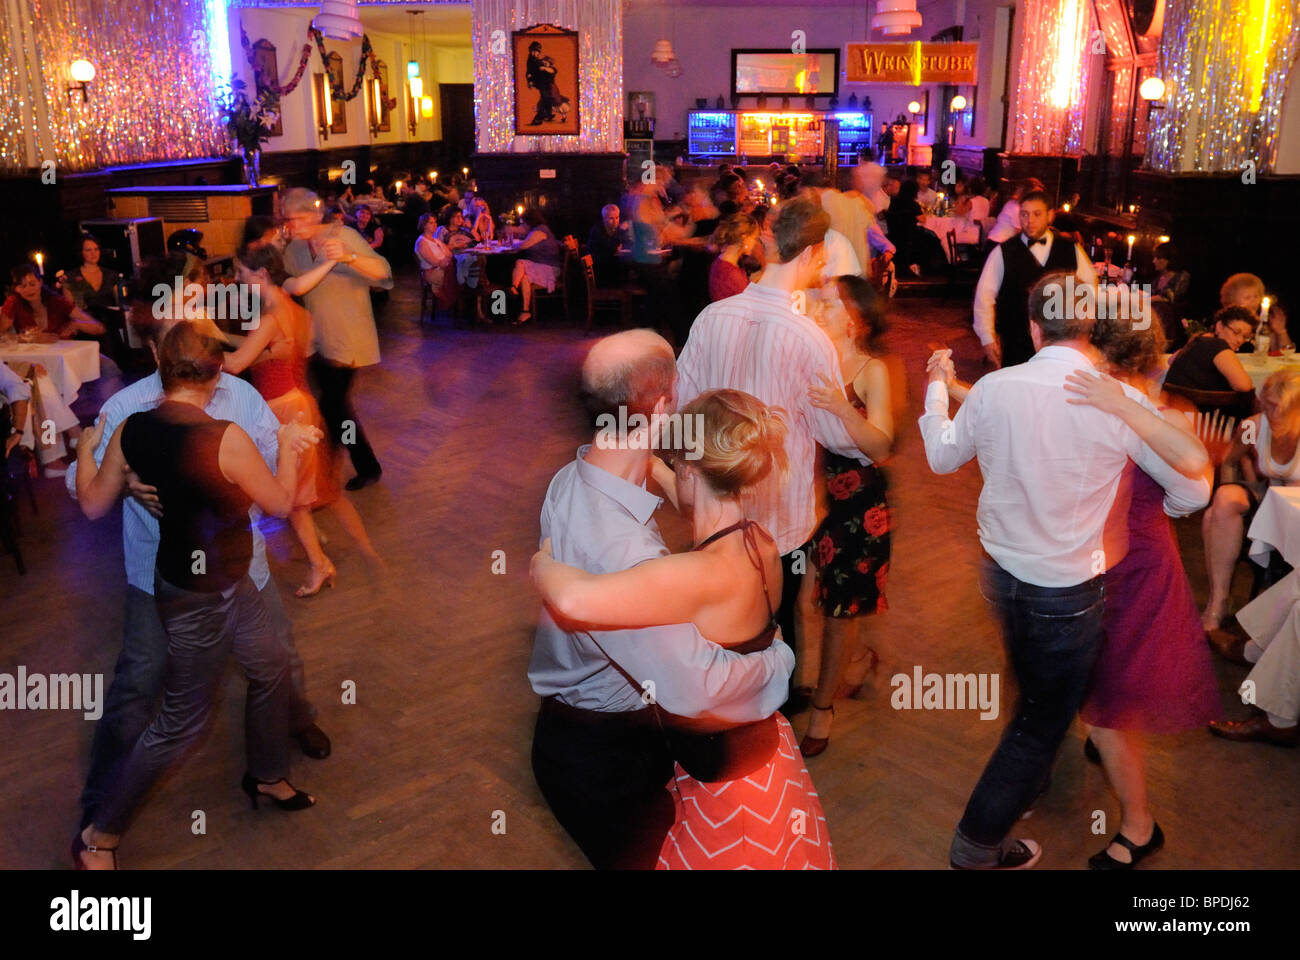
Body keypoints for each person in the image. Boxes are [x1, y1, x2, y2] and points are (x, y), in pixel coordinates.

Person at [921, 269, 1211, 869]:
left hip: (1001, 577)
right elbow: (1191, 488)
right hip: (1068, 591)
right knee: (1041, 720)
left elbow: (942, 454)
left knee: (1036, 697)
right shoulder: (1116, 400)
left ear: (1032, 326)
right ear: (1090, 327)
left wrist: (935, 387)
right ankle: (976, 846)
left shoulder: (999, 387)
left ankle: (1025, 789)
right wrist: (1171, 507)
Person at [64, 281, 333, 839]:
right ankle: (100, 810)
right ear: (162, 349)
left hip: (244, 567)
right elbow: (82, 484)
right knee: (139, 687)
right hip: (158, 576)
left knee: (276, 661)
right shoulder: (126, 405)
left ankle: (286, 738)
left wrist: (281, 448)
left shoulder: (237, 394)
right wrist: (132, 483)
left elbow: (260, 455)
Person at [531, 388, 836, 870]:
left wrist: (541, 563)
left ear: (691, 470)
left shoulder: (692, 577)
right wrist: (650, 452)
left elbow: (571, 599)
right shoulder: (760, 543)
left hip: (724, 785)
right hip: (765, 756)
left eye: (678, 469)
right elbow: (694, 501)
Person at [677, 196, 871, 709]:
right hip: (778, 511)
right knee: (777, 619)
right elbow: (837, 435)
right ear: (810, 254)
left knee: (723, 613)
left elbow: (681, 407)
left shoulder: (712, 317)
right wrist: (871, 434)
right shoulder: (809, 338)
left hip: (717, 501)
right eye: (824, 255)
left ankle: (722, 705)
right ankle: (772, 719)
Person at [1063, 309, 1220, 869]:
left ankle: (1139, 826)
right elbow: (1188, 496)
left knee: (1109, 701)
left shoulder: (1136, 413)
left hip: (1130, 567)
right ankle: (1099, 733)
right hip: (1104, 558)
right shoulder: (1109, 400)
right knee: (1097, 678)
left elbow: (1194, 490)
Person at [226, 243, 381, 596]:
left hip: (281, 411)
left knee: (289, 498)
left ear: (261, 274)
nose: (237, 280)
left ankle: (317, 562)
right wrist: (232, 342)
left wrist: (198, 351)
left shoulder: (268, 318)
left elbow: (236, 365)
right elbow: (274, 354)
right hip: (300, 404)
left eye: (241, 274)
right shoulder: (297, 312)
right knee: (293, 497)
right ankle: (316, 555)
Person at [801, 275, 895, 756]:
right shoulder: (814, 361)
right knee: (810, 600)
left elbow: (881, 445)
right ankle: (857, 661)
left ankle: (822, 709)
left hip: (861, 502)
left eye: (827, 305)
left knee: (837, 609)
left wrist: (842, 406)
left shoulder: (869, 370)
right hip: (818, 494)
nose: (817, 309)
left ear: (854, 320)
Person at [282, 187, 393, 492]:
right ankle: (349, 467)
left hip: (348, 339)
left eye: (299, 217)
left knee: (333, 405)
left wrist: (350, 257)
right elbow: (292, 290)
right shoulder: (294, 249)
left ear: (316, 214)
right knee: (331, 407)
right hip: (315, 341)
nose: (293, 224)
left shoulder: (344, 237)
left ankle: (334, 471)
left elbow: (383, 274)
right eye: (288, 219)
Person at [1199, 369, 1300, 631]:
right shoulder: (1252, 427)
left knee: (1211, 518)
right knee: (1223, 499)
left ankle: (1277, 618)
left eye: (1278, 408)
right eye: (1267, 406)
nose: (1271, 415)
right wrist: (1240, 485)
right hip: (1268, 501)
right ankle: (1218, 601)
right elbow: (1231, 461)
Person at [972, 190, 1097, 368]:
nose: (1029, 221)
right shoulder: (1004, 251)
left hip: (1061, 345)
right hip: (1016, 341)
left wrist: (1083, 331)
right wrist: (987, 337)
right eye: (1024, 214)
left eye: (1037, 214)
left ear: (1050, 216)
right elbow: (984, 296)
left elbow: (1089, 289)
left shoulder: (1070, 248)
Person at [1164, 305, 1255, 396]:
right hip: (1194, 406)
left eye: (1244, 336)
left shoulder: (1199, 339)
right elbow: (1243, 386)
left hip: (1173, 401)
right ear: (1219, 326)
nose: (1240, 340)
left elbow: (1171, 360)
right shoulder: (1218, 345)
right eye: (1236, 332)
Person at [2, 263, 105, 340]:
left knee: (109, 366)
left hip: (66, 354)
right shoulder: (14, 302)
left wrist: (76, 325)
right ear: (16, 289)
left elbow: (99, 328)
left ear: (40, 283)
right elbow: (2, 335)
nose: (29, 289)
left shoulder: (56, 301)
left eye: (32, 284)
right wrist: (28, 338)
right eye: (23, 286)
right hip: (31, 359)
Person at [511, 208, 562, 325]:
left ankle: (513, 286)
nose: (522, 226)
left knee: (520, 262)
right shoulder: (535, 231)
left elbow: (523, 246)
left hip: (550, 269)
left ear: (530, 221)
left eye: (523, 223)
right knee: (524, 277)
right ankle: (525, 311)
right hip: (541, 267)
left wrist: (512, 244)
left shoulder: (539, 231)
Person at [61, 234, 122, 326]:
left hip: (110, 323)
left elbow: (121, 302)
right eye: (88, 250)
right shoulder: (71, 277)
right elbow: (70, 309)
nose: (93, 253)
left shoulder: (111, 275)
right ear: (81, 252)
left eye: (96, 249)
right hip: (85, 324)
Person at [1221, 272, 1291, 351]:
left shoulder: (1264, 325)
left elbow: (1282, 354)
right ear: (1232, 300)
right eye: (1247, 298)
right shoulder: (1226, 325)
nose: (1253, 301)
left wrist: (1281, 332)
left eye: (1256, 296)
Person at [707, 212, 762, 302]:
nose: (755, 243)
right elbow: (748, 303)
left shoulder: (722, 261)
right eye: (754, 238)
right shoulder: (731, 273)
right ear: (744, 238)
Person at [987, 178, 1043, 244]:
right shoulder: (1015, 207)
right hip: (997, 242)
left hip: (1001, 243)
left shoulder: (1019, 207)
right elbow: (1020, 233)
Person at [587, 203, 631, 285]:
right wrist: (621, 232)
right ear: (604, 218)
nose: (615, 221)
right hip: (601, 273)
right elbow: (613, 246)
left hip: (610, 267)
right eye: (611, 218)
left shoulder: (614, 229)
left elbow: (626, 243)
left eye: (617, 218)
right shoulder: (597, 230)